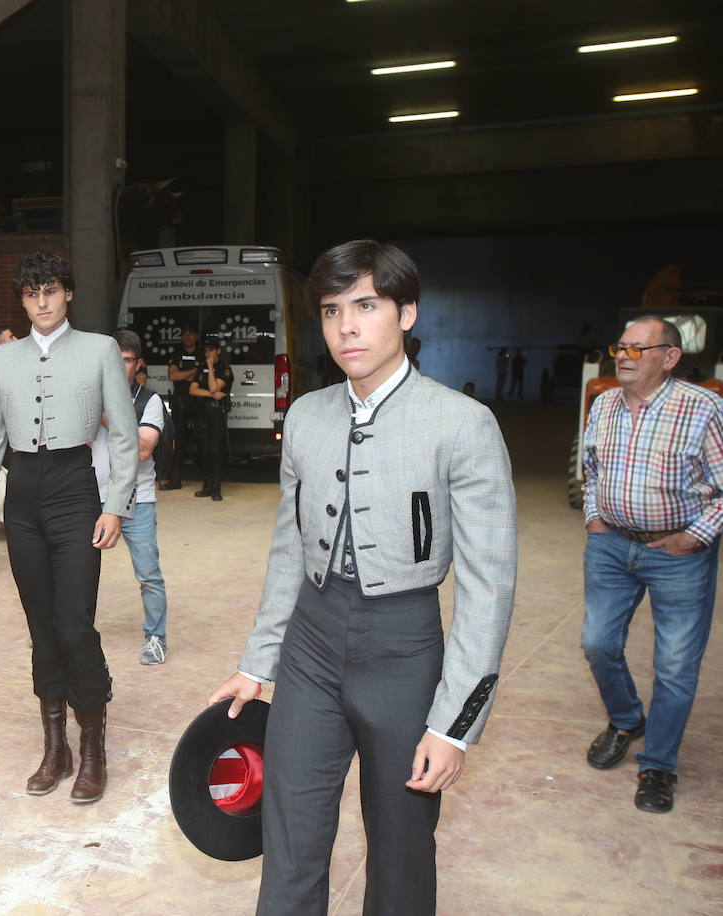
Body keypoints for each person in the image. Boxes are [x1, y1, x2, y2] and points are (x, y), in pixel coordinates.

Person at [209, 240, 517, 914]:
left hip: (403, 651)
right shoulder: (310, 417)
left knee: (402, 848)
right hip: (312, 648)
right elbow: (289, 550)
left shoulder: (463, 424)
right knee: (288, 831)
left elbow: (488, 588)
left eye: (366, 306)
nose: (347, 326)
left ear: (406, 313)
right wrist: (258, 660)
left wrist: (454, 723)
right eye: (331, 311)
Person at [0, 251, 138, 804]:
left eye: (50, 290)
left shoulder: (100, 349)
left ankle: (93, 748)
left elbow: (126, 434)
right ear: (22, 299)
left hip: (74, 489)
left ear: (68, 295)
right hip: (24, 496)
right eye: (31, 292)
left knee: (74, 624)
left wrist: (115, 505)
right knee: (41, 624)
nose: (41, 301)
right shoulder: (2, 359)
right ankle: (55, 747)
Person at [580, 316, 723, 814]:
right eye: (621, 346)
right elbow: (592, 468)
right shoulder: (603, 404)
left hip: (678, 555)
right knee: (597, 642)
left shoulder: (703, 408)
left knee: (676, 665)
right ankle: (625, 719)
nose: (624, 356)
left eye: (640, 349)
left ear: (670, 356)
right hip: (612, 547)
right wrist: (595, 518)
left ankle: (658, 765)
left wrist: (694, 537)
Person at [92, 330, 169, 665]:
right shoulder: (89, 395)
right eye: (114, 359)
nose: (119, 366)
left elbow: (142, 448)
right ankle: (64, 630)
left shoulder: (148, 401)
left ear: (138, 364)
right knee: (73, 570)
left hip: (137, 498)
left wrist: (103, 414)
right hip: (90, 497)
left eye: (126, 360)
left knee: (148, 573)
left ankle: (156, 638)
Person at [189, 336, 232, 501]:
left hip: (216, 413)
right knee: (203, 450)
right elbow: (193, 390)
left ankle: (216, 487)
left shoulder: (224, 368)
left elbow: (215, 386)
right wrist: (211, 395)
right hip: (201, 412)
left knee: (215, 450)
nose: (208, 353)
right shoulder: (200, 368)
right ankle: (206, 485)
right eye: (206, 350)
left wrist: (210, 366)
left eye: (211, 350)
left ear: (218, 351)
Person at [161, 326, 199, 490]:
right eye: (185, 334)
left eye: (191, 334)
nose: (188, 337)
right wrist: (193, 372)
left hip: (199, 401)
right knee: (178, 440)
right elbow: (173, 375)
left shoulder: (203, 353)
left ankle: (208, 480)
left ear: (196, 336)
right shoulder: (177, 354)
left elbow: (200, 377)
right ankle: (175, 478)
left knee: (204, 439)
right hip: (181, 402)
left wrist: (185, 374)